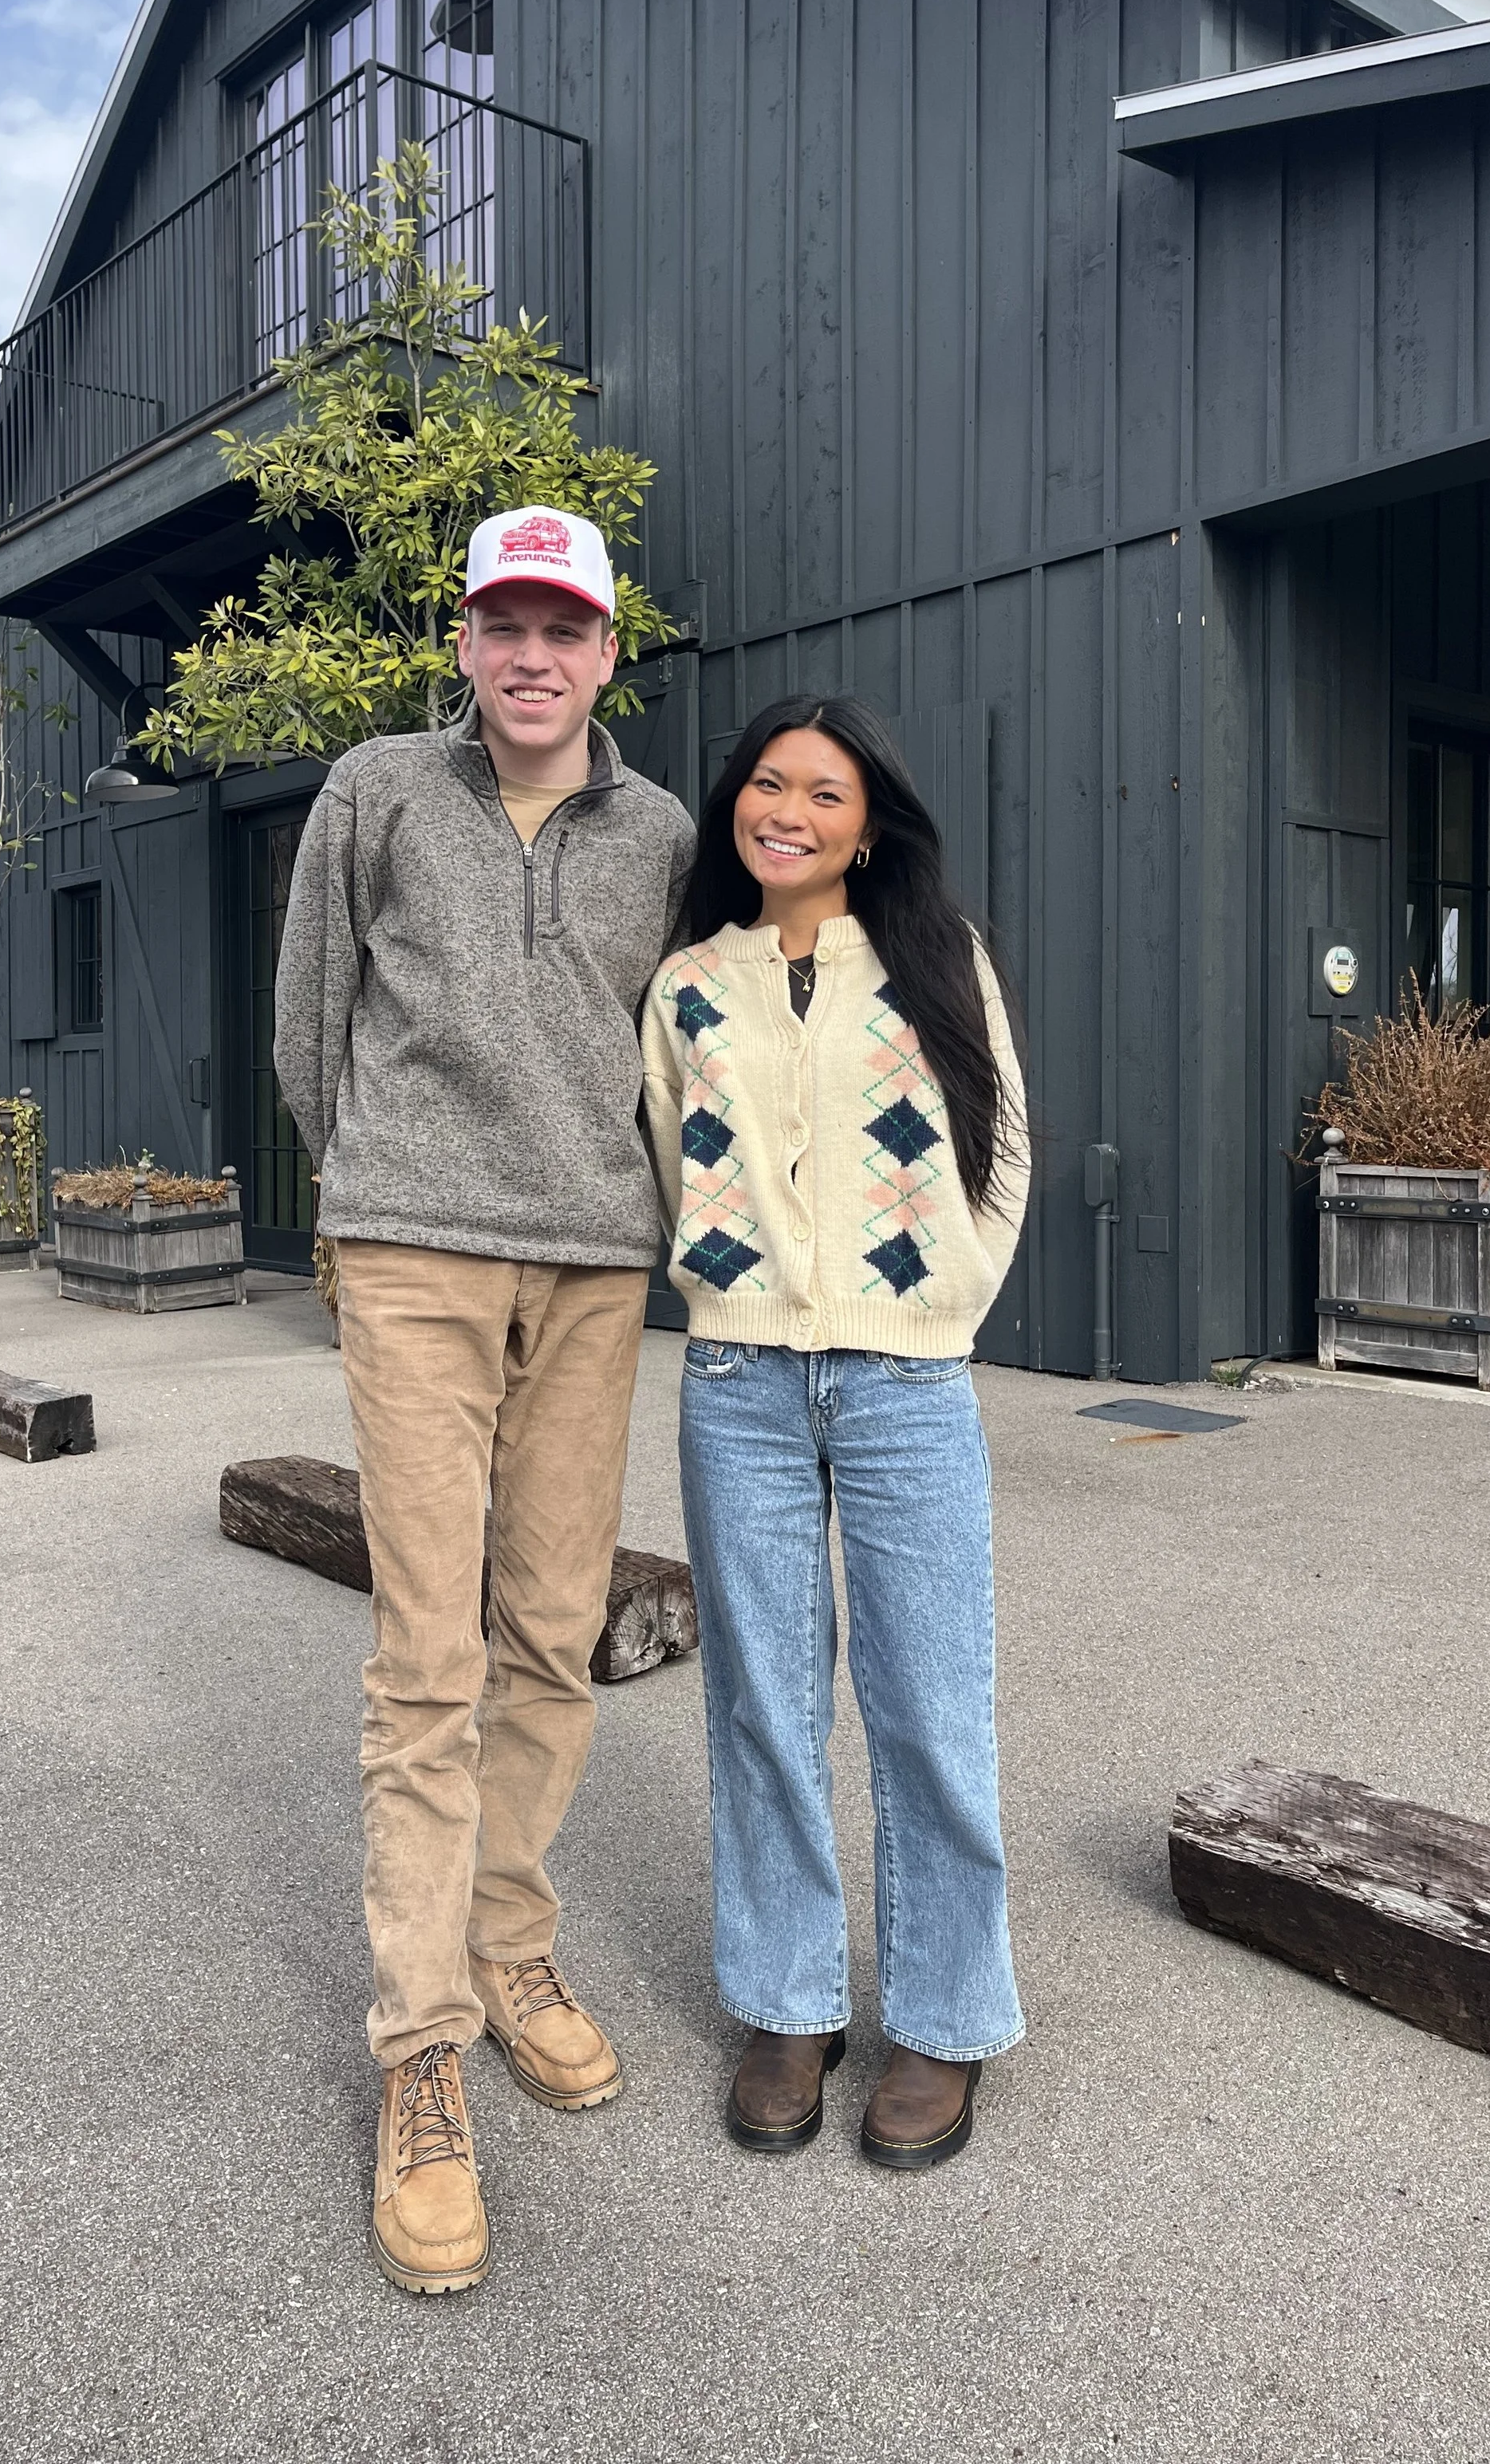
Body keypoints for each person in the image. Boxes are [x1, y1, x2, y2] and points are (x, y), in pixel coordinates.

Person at [273, 506, 694, 2294]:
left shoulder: (665, 831)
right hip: (417, 1256)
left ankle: (510, 1937)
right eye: (502, 622)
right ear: (460, 639)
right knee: (424, 1652)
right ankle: (421, 2043)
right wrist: (372, 1203)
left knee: (546, 1631)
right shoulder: (374, 789)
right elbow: (310, 1022)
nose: (533, 654)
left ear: (608, 652)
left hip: (595, 1269)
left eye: (566, 627)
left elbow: (680, 1036)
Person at [641, 695, 1031, 2171]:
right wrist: (720, 1285)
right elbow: (659, 1151)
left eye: (824, 790)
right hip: (737, 1383)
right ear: (735, 804)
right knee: (763, 1702)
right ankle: (790, 2002)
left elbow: (1003, 1155)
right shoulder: (686, 984)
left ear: (871, 824)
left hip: (905, 1380)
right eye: (764, 782)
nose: (786, 808)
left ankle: (942, 2018)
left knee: (932, 1702)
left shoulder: (937, 963)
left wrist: (945, 1300)